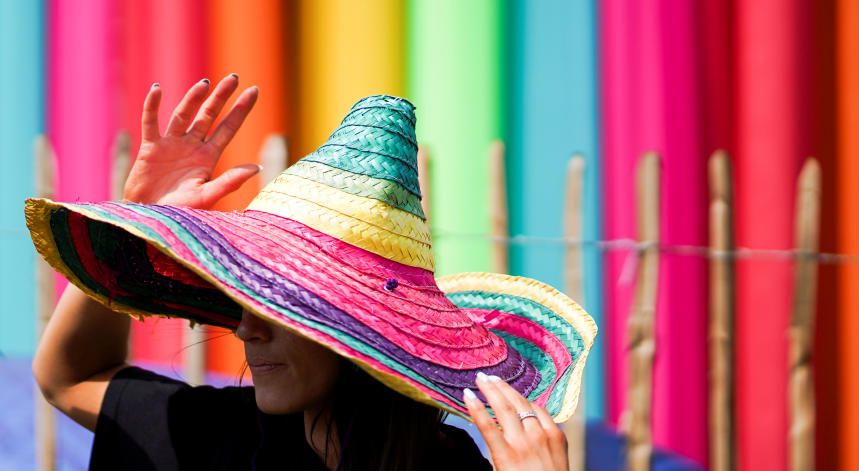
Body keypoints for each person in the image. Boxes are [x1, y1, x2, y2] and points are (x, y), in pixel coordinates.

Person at [28, 76, 596, 470]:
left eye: (283, 307)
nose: (246, 329)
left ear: (365, 333)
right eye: (248, 298)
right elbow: (68, 378)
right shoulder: (221, 437)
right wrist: (138, 229)